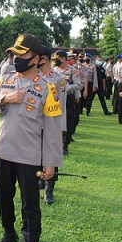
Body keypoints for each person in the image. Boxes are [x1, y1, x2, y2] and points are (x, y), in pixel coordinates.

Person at [0, 34, 63, 242]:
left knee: (30, 205)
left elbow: (53, 129)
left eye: (22, 54)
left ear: (37, 58)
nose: (16, 58)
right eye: (15, 53)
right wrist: (5, 100)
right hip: (3, 150)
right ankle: (9, 233)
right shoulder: (6, 79)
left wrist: (50, 162)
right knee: (2, 195)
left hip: (29, 156)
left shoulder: (48, 88)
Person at [38, 45, 67, 205]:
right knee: (36, 155)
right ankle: (40, 181)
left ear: (44, 59)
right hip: (34, 124)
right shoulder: (33, 76)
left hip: (51, 124)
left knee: (52, 157)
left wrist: (60, 128)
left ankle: (49, 191)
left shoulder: (57, 80)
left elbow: (60, 106)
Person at [53, 50, 81, 155]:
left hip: (68, 98)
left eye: (58, 59)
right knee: (55, 121)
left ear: (64, 59)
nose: (56, 61)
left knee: (69, 121)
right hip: (55, 99)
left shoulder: (73, 71)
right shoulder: (53, 70)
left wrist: (66, 88)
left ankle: (65, 145)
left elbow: (78, 85)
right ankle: (55, 143)